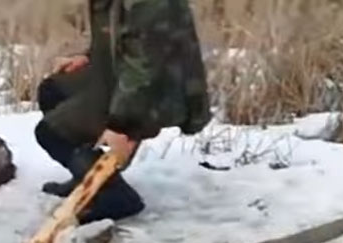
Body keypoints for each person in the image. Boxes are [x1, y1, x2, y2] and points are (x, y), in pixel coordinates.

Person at [33, 0, 211, 224]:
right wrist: (90, 57)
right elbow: (124, 36)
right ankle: (88, 177)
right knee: (53, 91)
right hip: (125, 76)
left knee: (51, 133)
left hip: (157, 89)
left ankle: (115, 199)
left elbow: (147, 65)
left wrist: (122, 124)